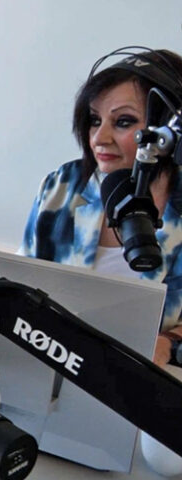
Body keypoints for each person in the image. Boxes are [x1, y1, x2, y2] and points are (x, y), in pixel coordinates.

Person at [21, 48, 182, 366]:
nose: (99, 137)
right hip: (52, 365)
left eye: (123, 122)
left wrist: (168, 343)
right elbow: (20, 282)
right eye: (95, 120)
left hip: (151, 379)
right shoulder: (62, 185)